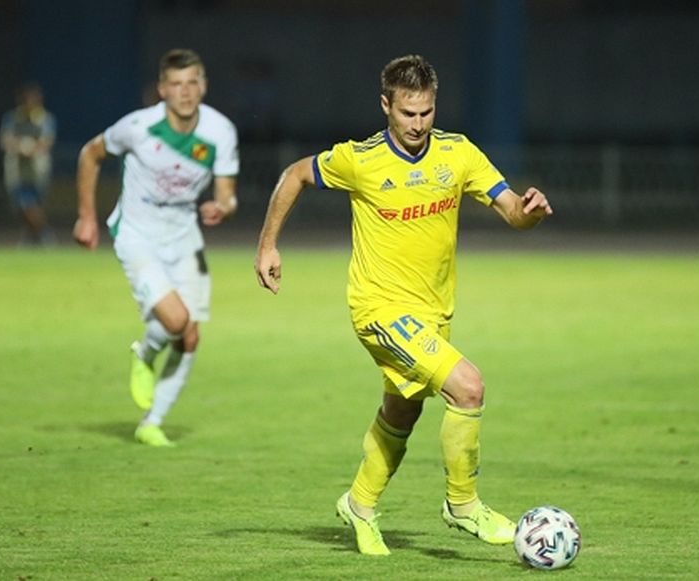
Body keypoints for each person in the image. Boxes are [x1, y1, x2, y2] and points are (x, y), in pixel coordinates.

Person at [254, 54, 552, 555]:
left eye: (426, 112)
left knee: (402, 412)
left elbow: (512, 212)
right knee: (469, 388)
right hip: (378, 311)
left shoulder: (458, 154)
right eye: (407, 113)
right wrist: (267, 246)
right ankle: (463, 504)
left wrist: (531, 213)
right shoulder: (361, 159)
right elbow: (295, 175)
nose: (417, 124)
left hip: (432, 314)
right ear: (386, 106)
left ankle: (359, 504)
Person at [73, 49, 239, 447]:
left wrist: (223, 207)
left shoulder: (220, 131)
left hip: (184, 236)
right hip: (137, 234)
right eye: (176, 84)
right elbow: (90, 154)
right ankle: (145, 353)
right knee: (177, 321)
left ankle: (152, 422)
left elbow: (227, 194)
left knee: (190, 338)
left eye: (192, 82)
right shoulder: (138, 127)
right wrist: (86, 216)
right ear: (162, 90)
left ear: (204, 86)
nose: (185, 92)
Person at [0, 83, 57, 245]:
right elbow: (5, 140)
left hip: (37, 169)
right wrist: (20, 147)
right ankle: (43, 235)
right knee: (22, 204)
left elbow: (47, 141)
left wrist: (31, 149)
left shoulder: (45, 118)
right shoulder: (12, 118)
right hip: (17, 169)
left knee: (34, 204)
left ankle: (35, 236)